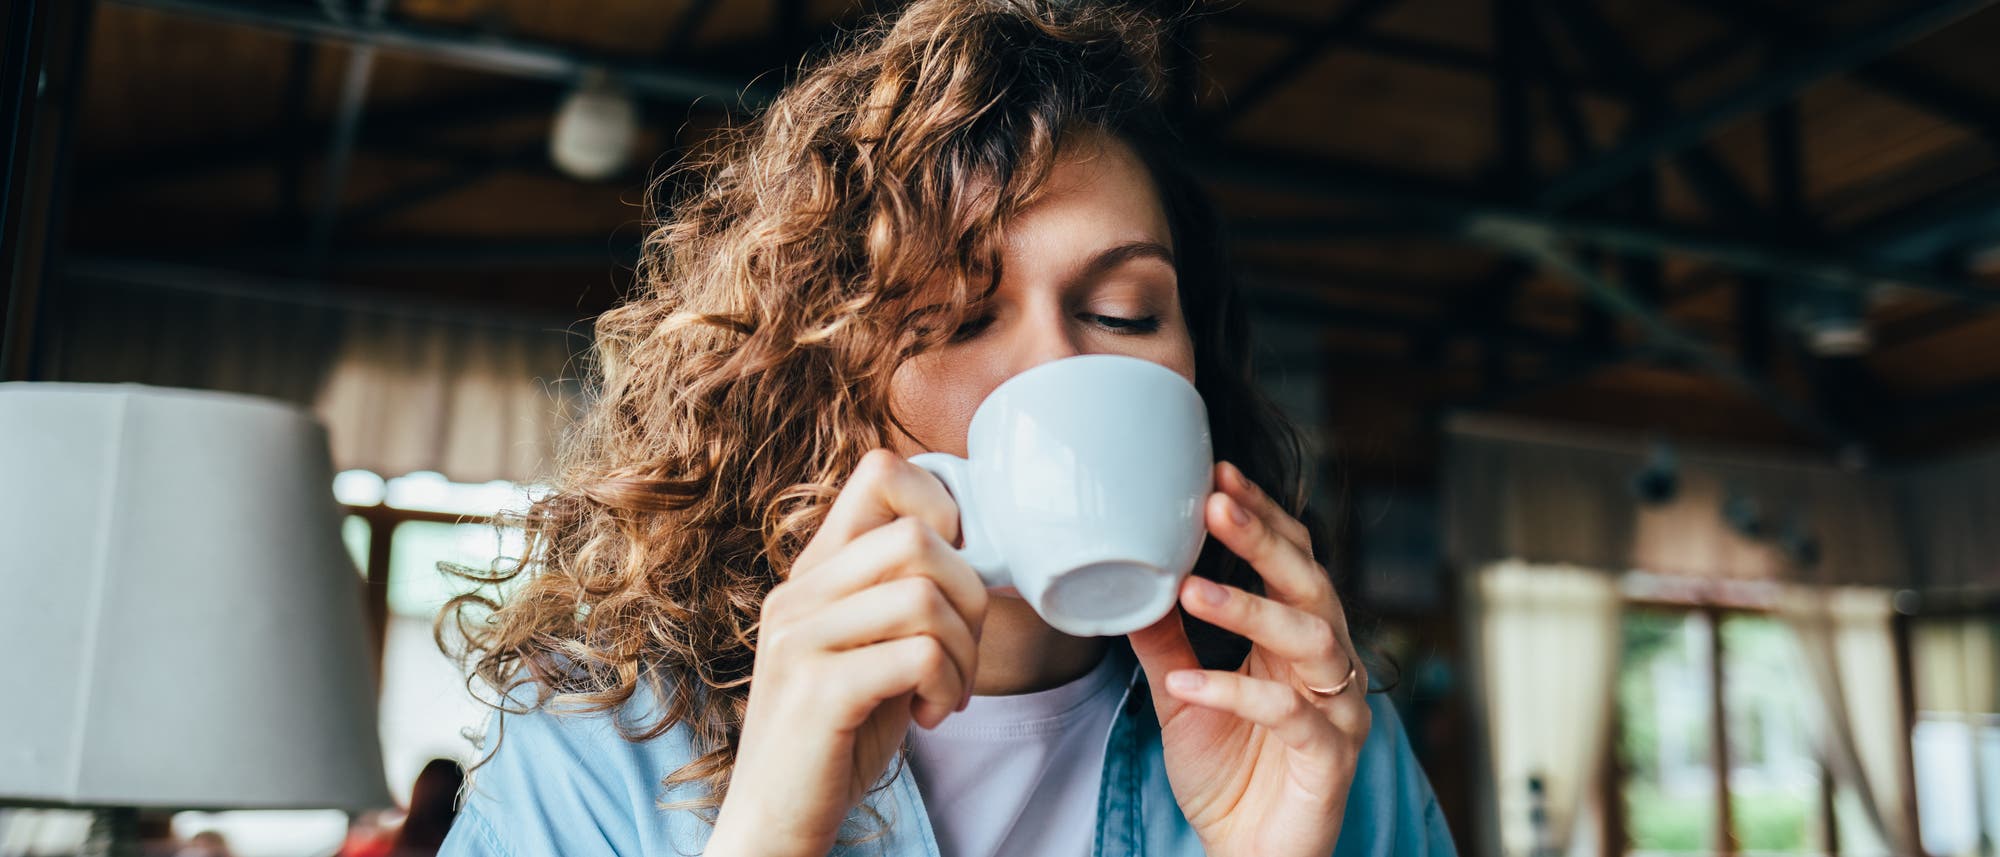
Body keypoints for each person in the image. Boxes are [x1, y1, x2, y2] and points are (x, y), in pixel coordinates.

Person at [436, 1, 1456, 855]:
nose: (1058, 368)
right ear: (822, 374)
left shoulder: (1318, 736)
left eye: (1123, 314)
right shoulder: (612, 744)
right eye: (959, 317)